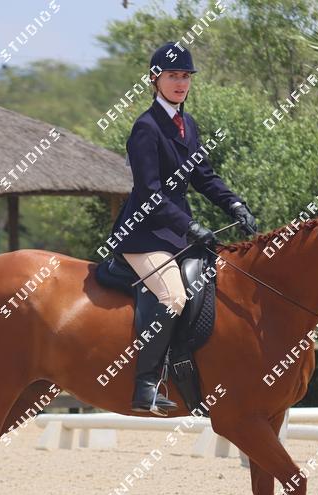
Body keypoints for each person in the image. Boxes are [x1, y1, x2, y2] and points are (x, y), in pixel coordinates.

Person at [108, 41, 258, 415]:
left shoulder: (187, 124)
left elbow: (203, 176)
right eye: (173, 76)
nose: (180, 83)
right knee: (174, 296)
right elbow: (149, 193)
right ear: (154, 79)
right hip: (144, 234)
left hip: (175, 233)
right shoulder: (146, 128)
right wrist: (190, 226)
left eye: (186, 76)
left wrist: (234, 204)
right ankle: (145, 385)